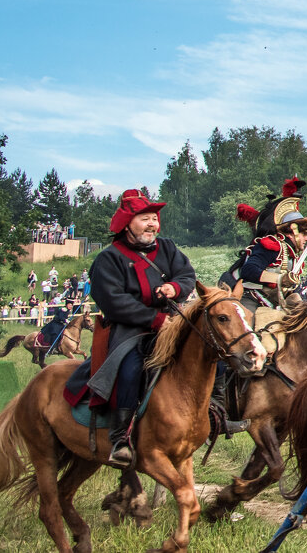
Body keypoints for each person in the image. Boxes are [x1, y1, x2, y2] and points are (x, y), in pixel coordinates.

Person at [63, 189, 197, 468]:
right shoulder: (108, 259)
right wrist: (154, 320)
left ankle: (213, 413)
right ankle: (120, 438)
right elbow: (114, 302)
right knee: (131, 366)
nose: (152, 224)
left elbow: (186, 275)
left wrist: (175, 287)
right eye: (145, 219)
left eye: (154, 219)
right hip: (128, 330)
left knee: (207, 351)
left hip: (171, 321)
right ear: (127, 224)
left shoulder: (168, 248)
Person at [222, 178, 307, 312]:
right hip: (249, 297)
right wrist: (280, 279)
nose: (306, 239)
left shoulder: (292, 255)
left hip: (273, 303)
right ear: (291, 232)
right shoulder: (272, 245)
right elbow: (249, 270)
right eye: (304, 234)